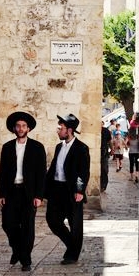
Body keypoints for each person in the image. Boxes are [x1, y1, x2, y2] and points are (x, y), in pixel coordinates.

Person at [0, 111, 47, 272]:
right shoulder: (7, 148)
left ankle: (25, 259)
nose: (21, 128)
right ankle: (17, 250)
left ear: (28, 128)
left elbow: (41, 174)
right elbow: (3, 173)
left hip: (29, 194)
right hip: (11, 192)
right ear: (14, 128)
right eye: (18, 126)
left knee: (27, 227)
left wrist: (39, 195)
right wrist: (2, 194)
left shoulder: (37, 148)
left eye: (24, 126)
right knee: (8, 224)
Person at [45, 113, 90, 265]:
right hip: (57, 189)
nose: (58, 131)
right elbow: (53, 169)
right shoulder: (59, 147)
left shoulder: (81, 148)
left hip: (71, 191)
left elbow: (83, 172)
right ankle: (73, 245)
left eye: (60, 128)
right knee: (52, 220)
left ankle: (72, 255)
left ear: (69, 130)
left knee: (74, 223)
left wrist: (79, 191)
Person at [100, 121, 112, 192]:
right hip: (97, 152)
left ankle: (103, 185)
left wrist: (112, 149)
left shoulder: (106, 131)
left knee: (104, 169)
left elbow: (109, 141)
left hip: (104, 152)